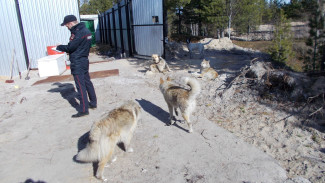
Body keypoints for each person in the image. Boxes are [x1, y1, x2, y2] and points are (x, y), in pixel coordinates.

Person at [55, 15, 97, 118]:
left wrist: (59, 47)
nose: (67, 28)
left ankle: (83, 110)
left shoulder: (78, 32)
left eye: (66, 26)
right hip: (84, 59)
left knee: (80, 85)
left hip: (77, 61)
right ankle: (93, 102)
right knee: (87, 82)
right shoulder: (86, 30)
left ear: (70, 23)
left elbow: (71, 47)